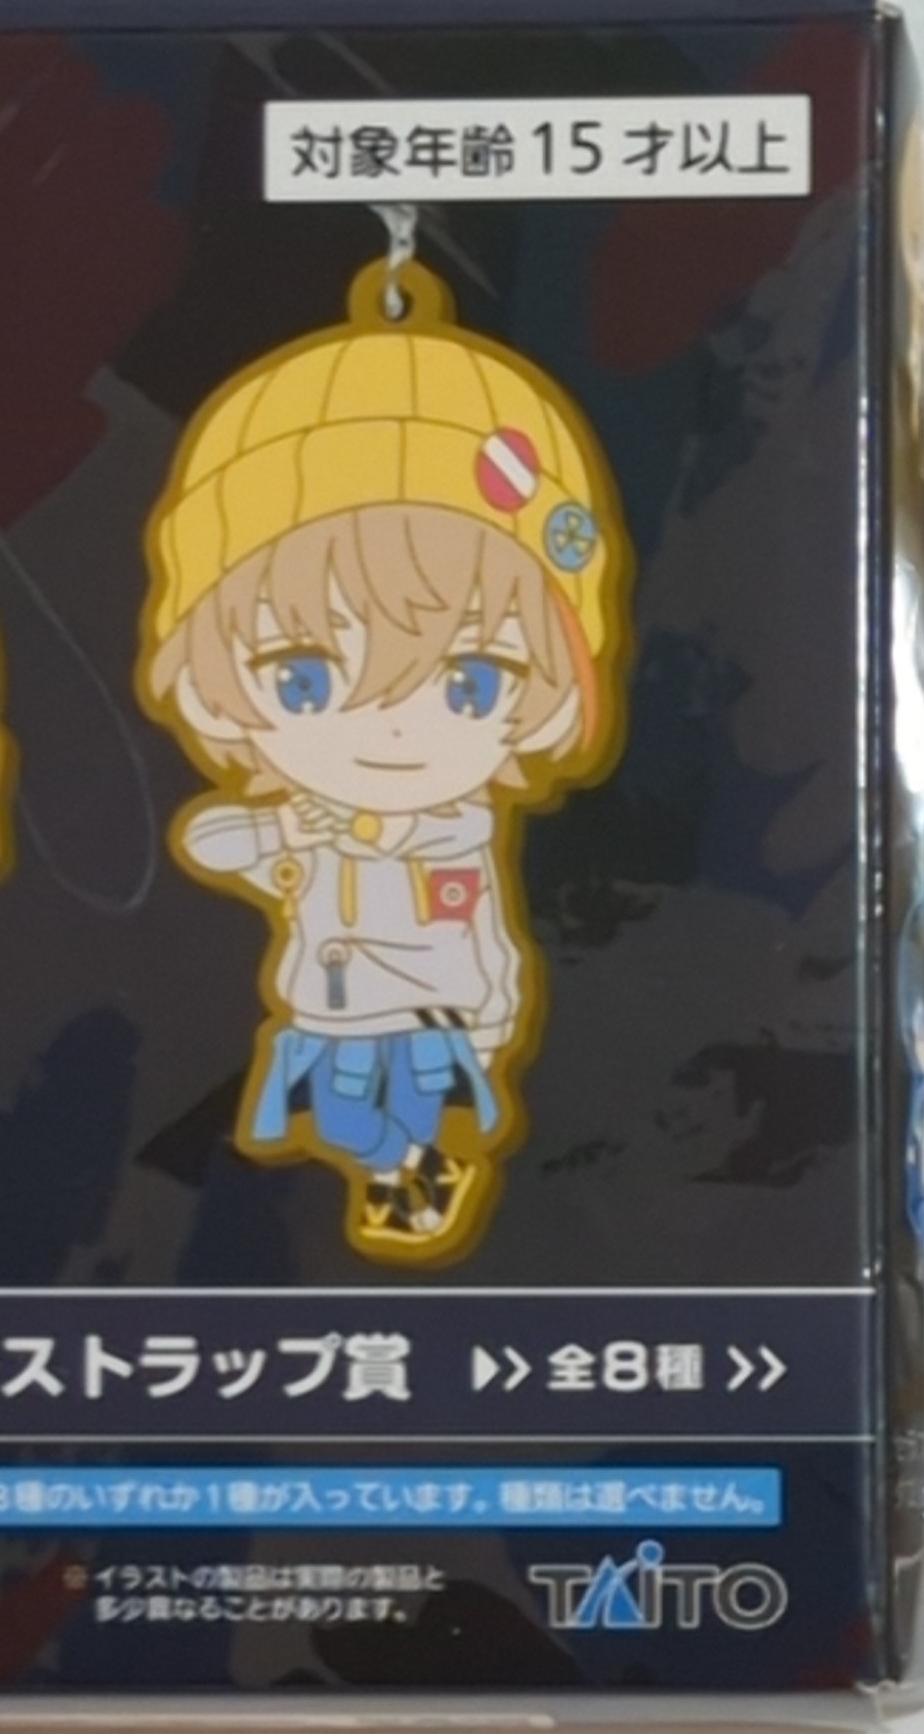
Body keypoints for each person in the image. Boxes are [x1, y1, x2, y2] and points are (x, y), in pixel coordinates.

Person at [140, 260, 629, 1260]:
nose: (389, 725)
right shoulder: (308, 825)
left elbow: (484, 937)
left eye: (470, 683)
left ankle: (412, 1165)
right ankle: (406, 1165)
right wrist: (286, 831)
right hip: (325, 1013)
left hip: (423, 1016)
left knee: (383, 1115)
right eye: (305, 679)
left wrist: (487, 1023)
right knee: (344, 1116)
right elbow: (219, 838)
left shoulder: (452, 830)